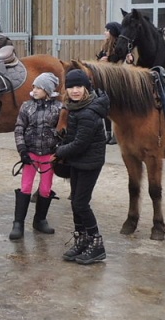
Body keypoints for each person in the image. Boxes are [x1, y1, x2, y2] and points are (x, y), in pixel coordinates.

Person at [53, 69, 109, 264]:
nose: (75, 91)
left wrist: (59, 152)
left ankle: (96, 243)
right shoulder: (75, 107)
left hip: (89, 162)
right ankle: (82, 239)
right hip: (77, 161)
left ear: (86, 88)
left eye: (79, 87)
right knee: (75, 202)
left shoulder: (89, 112)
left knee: (81, 203)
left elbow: (80, 143)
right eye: (71, 87)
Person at [10, 72, 63, 240]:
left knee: (46, 189)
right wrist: (22, 150)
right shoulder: (26, 106)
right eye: (34, 86)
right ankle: (18, 223)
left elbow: (63, 131)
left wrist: (58, 151)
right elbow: (19, 129)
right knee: (25, 187)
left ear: (47, 90)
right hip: (30, 155)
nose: (34, 89)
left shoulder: (59, 108)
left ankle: (40, 220)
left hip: (49, 156)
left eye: (39, 87)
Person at [96, 21, 121, 144]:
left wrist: (109, 61)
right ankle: (108, 133)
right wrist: (100, 60)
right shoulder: (105, 46)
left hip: (115, 81)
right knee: (105, 107)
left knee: (114, 108)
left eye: (107, 30)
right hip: (104, 80)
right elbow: (99, 59)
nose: (105, 32)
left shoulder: (119, 46)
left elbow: (119, 63)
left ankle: (116, 134)